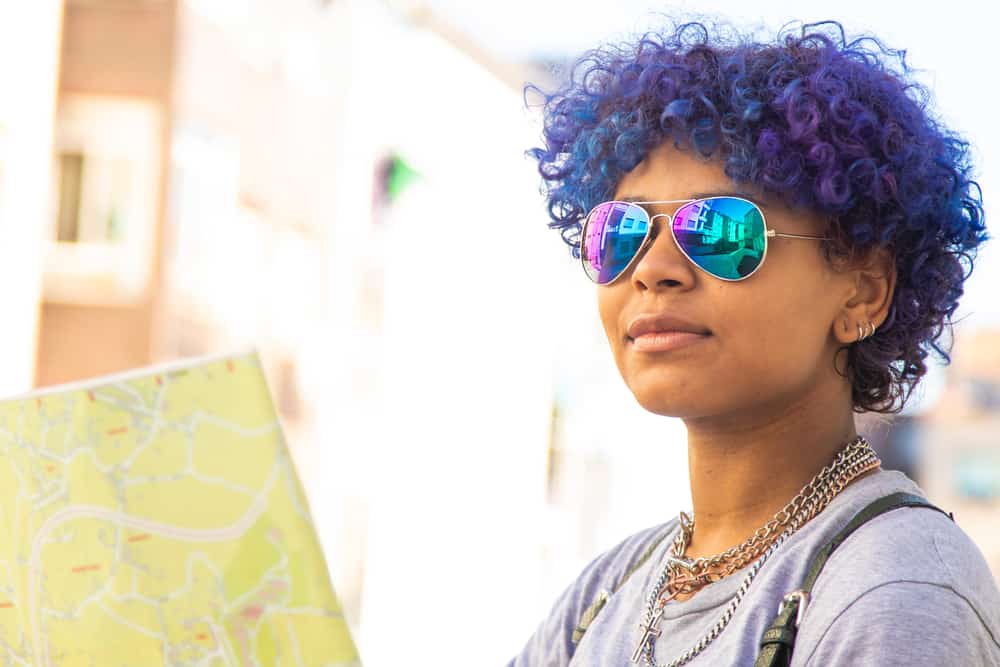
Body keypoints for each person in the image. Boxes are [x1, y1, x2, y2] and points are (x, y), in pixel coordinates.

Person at [507, 18, 1000, 667]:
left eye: (718, 230)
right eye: (620, 232)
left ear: (863, 291)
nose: (653, 268)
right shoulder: (605, 595)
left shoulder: (893, 588)